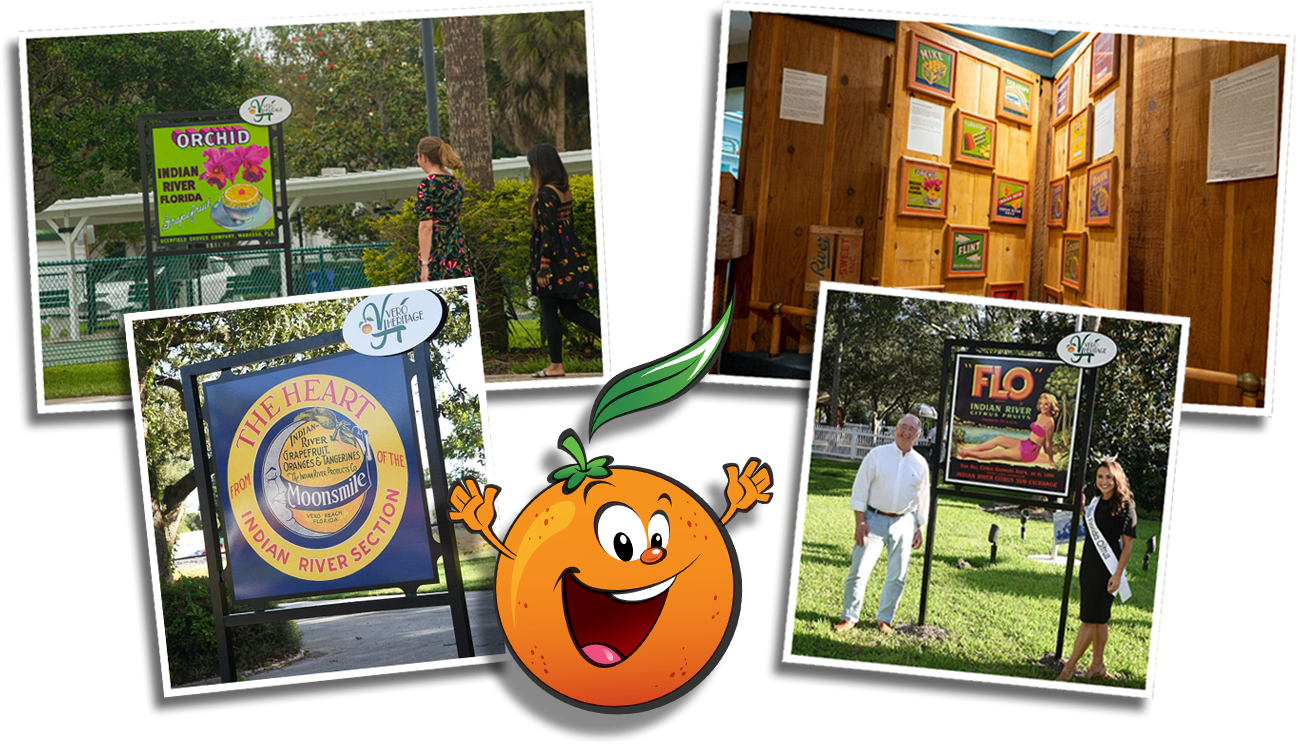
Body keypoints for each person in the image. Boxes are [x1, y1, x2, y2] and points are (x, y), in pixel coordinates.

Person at [831, 413, 930, 635]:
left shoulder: (921, 464)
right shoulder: (877, 455)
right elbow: (860, 489)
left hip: (905, 521)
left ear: (918, 435)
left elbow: (924, 498)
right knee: (859, 570)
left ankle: (884, 619)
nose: (905, 432)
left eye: (910, 430)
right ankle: (849, 617)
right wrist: (860, 522)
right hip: (873, 520)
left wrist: (920, 528)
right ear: (895, 428)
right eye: (902, 427)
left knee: (898, 575)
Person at [1057, 458, 1137, 681]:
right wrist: (1083, 509)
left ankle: (1069, 668)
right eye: (1100, 477)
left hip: (1108, 571)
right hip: (1089, 566)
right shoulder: (1094, 502)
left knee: (1089, 620)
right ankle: (1097, 666)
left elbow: (1128, 544)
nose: (1104, 481)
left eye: (1109, 477)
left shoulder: (1126, 507)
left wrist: (1118, 574)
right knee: (1100, 619)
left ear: (1117, 478)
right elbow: (1093, 531)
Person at [526, 143, 600, 379]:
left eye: (532, 165)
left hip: (553, 260)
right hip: (568, 256)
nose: (530, 170)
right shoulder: (562, 190)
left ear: (540, 165)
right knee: (570, 310)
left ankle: (556, 365)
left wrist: (543, 267)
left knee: (549, 310)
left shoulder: (546, 193)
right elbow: (564, 228)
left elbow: (549, 232)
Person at [415, 136, 472, 282]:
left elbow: (426, 226)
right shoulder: (454, 183)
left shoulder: (427, 185)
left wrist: (425, 264)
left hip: (437, 248)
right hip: (457, 245)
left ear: (423, 157)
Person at [956, 392, 1059, 464]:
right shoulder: (1040, 415)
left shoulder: (1050, 422)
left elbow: (1048, 443)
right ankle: (972, 450)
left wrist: (1051, 459)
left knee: (997, 453)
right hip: (1026, 443)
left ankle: (967, 453)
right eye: (1041, 404)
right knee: (999, 439)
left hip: (1030, 452)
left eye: (1046, 404)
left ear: (1051, 405)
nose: (1042, 407)